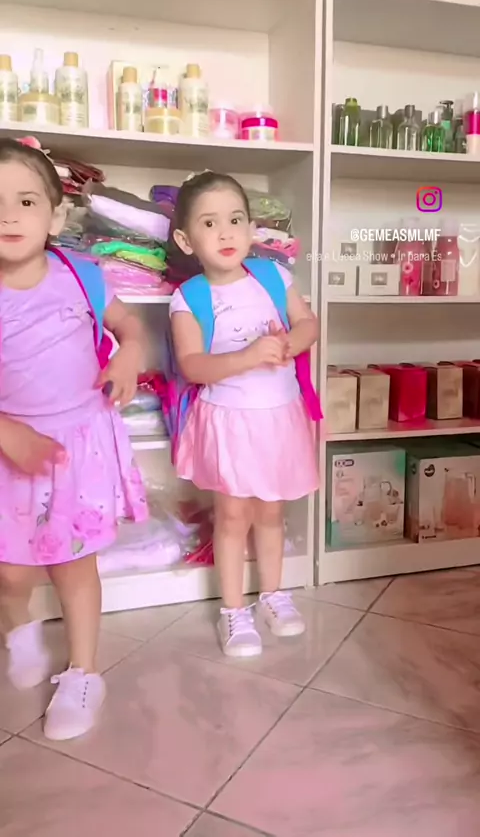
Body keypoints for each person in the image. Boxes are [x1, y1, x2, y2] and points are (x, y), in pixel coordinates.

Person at [0, 138, 148, 740]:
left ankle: (84, 672)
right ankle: (18, 627)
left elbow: (129, 324)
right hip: (8, 447)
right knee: (12, 571)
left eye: (26, 201)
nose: (9, 216)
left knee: (73, 564)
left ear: (55, 216)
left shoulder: (81, 275)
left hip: (77, 446)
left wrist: (129, 352)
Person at [170, 171, 319, 658]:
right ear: (186, 240)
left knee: (272, 511)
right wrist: (250, 355)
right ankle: (234, 610)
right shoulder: (189, 297)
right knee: (233, 516)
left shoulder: (274, 277)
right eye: (209, 223)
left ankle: (273, 594)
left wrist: (289, 343)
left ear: (252, 228)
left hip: (279, 415)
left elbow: (307, 323)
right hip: (229, 420)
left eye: (235, 220)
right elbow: (193, 366)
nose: (226, 233)